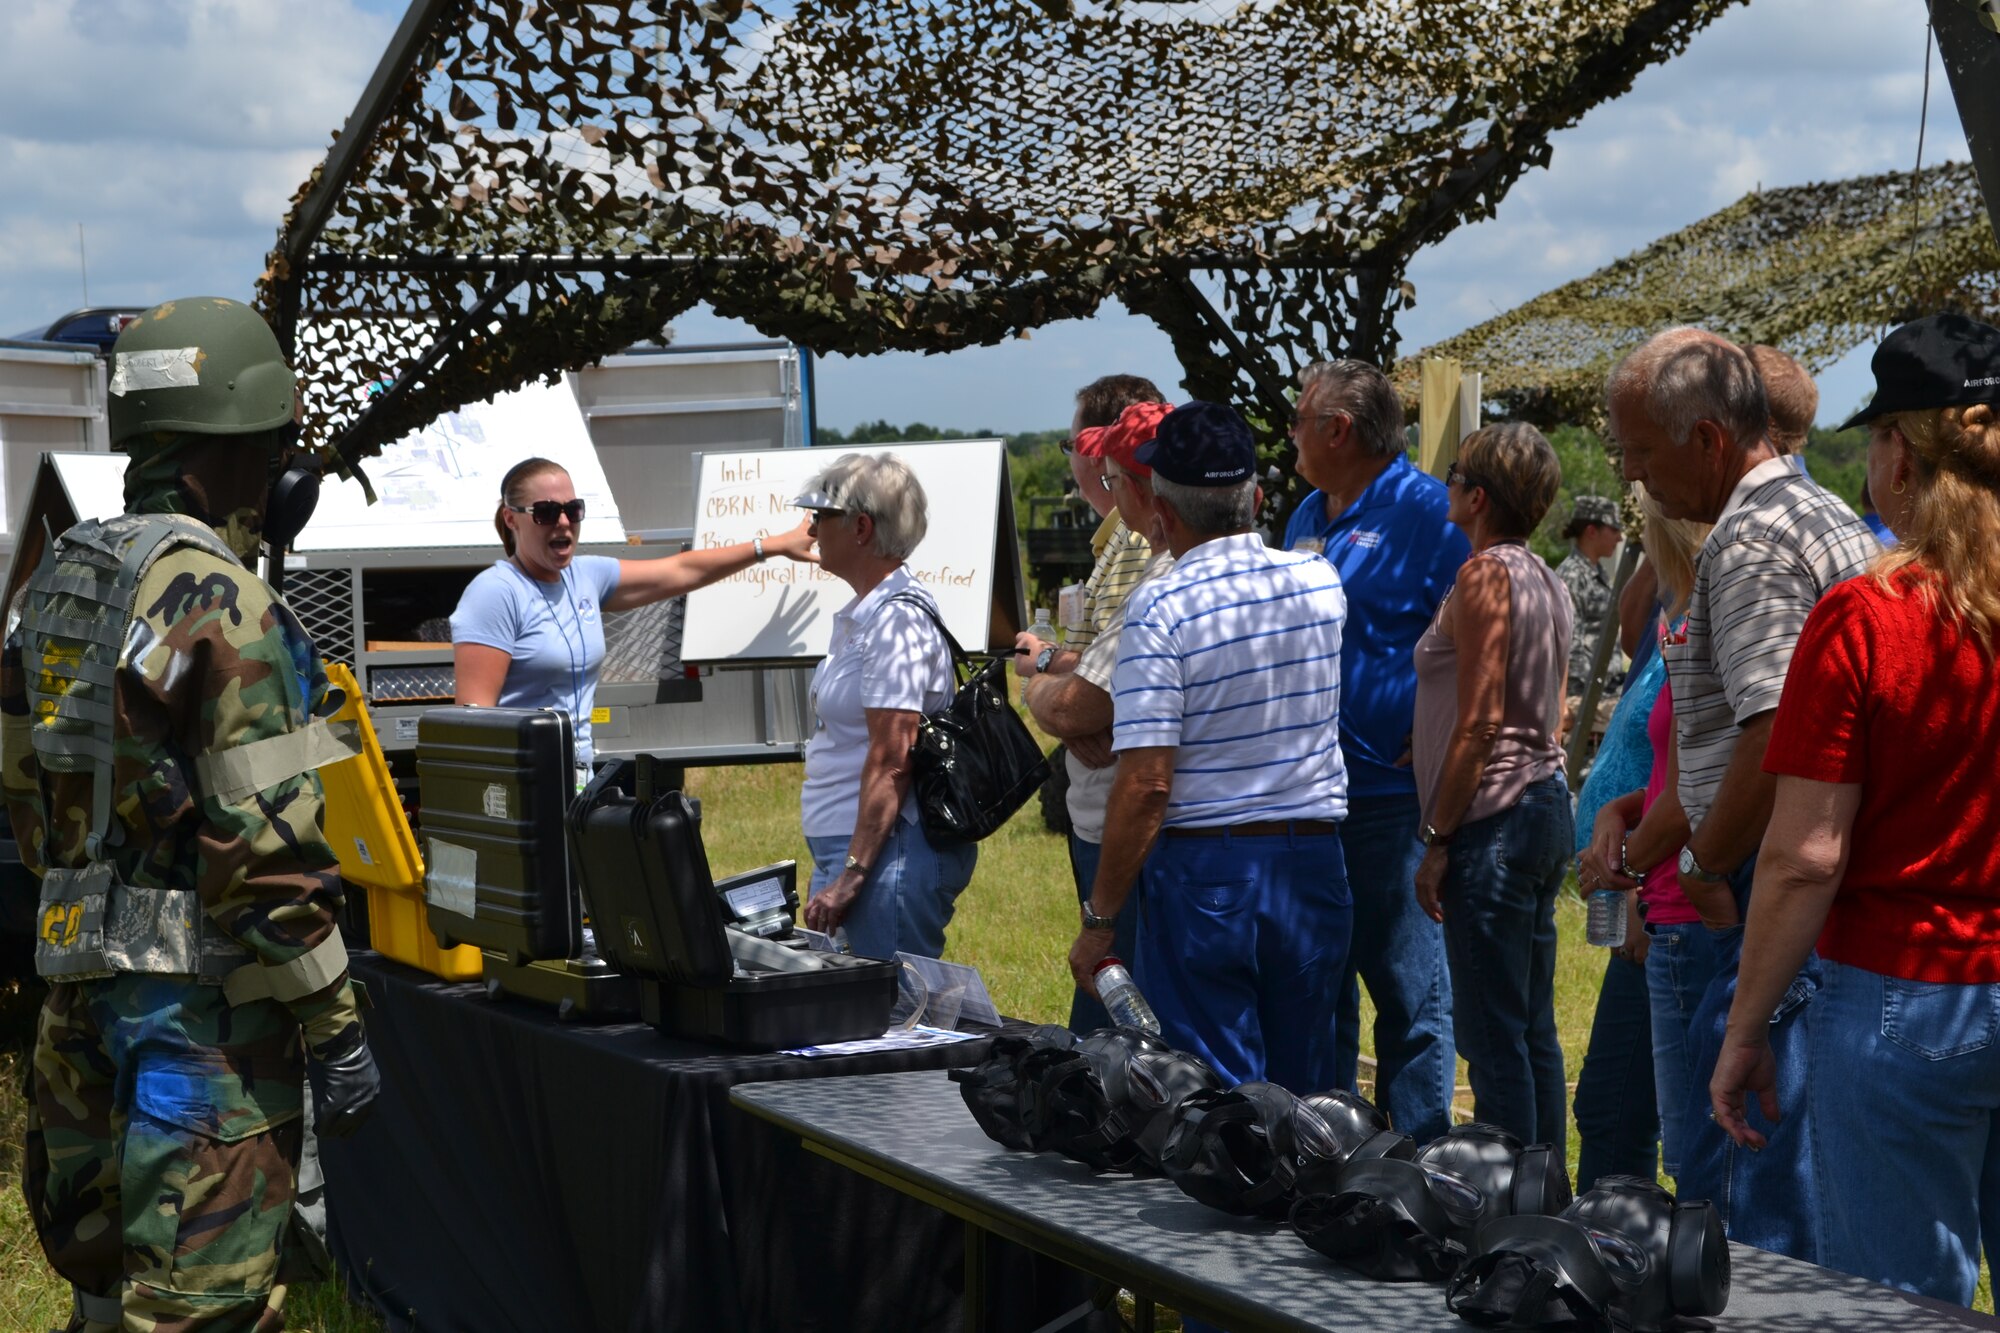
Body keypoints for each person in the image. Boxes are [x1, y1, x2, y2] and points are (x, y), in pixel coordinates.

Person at [0, 297, 380, 1331]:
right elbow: (267, 851)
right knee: (196, 1313)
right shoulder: (222, 600)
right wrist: (336, 1026)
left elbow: (23, 792)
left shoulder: (58, 578)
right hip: (201, 1039)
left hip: (77, 1016)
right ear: (236, 449)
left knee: (98, 1299)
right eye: (271, 451)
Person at [1711, 314, 2000, 1304]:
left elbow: (1801, 855)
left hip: (1898, 999)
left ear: (1895, 456)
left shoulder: (1868, 614)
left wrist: (1745, 1024)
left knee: (1897, 1303)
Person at [1606, 327, 1876, 1260]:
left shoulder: (1750, 542)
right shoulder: (1823, 511)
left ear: (1709, 440)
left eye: (1640, 449)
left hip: (1768, 881)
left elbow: (1775, 732)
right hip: (1824, 882)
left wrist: (1706, 859)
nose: (1633, 474)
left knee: (1736, 1181)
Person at [1067, 402, 1351, 1092]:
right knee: (1313, 1087)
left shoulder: (1162, 607)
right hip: (1313, 859)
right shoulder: (1321, 583)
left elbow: (1146, 783)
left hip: (1207, 868)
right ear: (1255, 498)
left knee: (1214, 1098)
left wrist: (1101, 919)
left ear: (1161, 515)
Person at [1283, 358, 1467, 1143]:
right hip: (1309, 795)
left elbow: (1479, 638)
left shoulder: (1429, 513)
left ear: (1339, 429)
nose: (1289, 433)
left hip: (1391, 803)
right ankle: (1332, 1145)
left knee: (1409, 993)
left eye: (1298, 419)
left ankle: (1422, 1159)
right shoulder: (1302, 516)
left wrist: (1435, 743)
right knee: (1319, 983)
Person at [1410, 423, 1573, 1151]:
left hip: (1494, 818)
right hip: (1544, 803)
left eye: (1452, 476)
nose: (1444, 486)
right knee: (1531, 1026)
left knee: (1490, 1036)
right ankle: (1547, 1196)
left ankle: (1508, 1211)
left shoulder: (1483, 576)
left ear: (1476, 497)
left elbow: (1478, 725)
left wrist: (1437, 838)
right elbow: (1547, 706)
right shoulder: (1548, 577)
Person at [451, 457, 815, 773]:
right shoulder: (495, 592)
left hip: (575, 774)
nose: (563, 521)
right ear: (511, 519)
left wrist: (772, 546)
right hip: (521, 780)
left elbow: (682, 571)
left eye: (573, 509)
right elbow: (473, 721)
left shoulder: (585, 577)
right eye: (546, 512)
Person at [1570, 489, 1712, 1188]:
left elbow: (1702, 786)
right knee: (1615, 1107)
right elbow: (1663, 769)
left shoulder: (1707, 623)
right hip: (1648, 888)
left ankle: (1620, 1263)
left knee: (1621, 1112)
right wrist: (1616, 814)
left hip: (1668, 906)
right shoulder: (1675, 613)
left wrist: (1632, 871)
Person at [1015, 400, 1173, 1030]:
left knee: (1116, 997)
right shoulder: (1297, 577)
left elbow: (1087, 704)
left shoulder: (1161, 581)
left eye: (1110, 474)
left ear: (1136, 487)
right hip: (1128, 810)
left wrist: (1038, 676)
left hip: (1123, 812)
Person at [793, 453, 972, 961]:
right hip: (868, 851)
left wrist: (852, 874)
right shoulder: (875, 614)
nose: (811, 529)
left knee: (892, 1024)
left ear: (861, 528)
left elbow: (893, 758)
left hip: (886, 855)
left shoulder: (895, 623)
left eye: (820, 517)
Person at [1557, 494, 1622, 706]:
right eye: (1614, 530)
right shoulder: (1572, 576)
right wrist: (1584, 699)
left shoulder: (1598, 573)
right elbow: (1569, 643)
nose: (1620, 538)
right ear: (1591, 531)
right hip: (1582, 697)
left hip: (1603, 691)